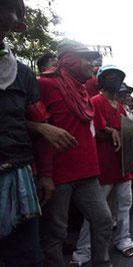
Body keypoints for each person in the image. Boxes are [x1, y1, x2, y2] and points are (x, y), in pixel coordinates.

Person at [0, 2, 77, 266]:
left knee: (25, 256)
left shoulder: (21, 73)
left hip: (19, 177)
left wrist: (45, 175)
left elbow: (41, 125)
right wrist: (38, 127)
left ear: (17, 23)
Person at [38, 39, 113, 267]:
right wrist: (46, 174)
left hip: (87, 173)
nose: (93, 64)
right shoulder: (45, 84)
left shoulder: (83, 89)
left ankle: (102, 263)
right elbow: (37, 130)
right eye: (87, 58)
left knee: (103, 220)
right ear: (69, 59)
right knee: (56, 233)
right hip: (59, 176)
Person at [71, 65, 133, 265]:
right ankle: (84, 250)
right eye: (111, 76)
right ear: (102, 80)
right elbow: (94, 132)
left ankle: (123, 240)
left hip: (122, 165)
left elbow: (127, 131)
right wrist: (109, 132)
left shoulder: (121, 106)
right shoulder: (96, 102)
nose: (115, 79)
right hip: (103, 165)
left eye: (118, 76)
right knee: (96, 212)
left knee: (124, 205)